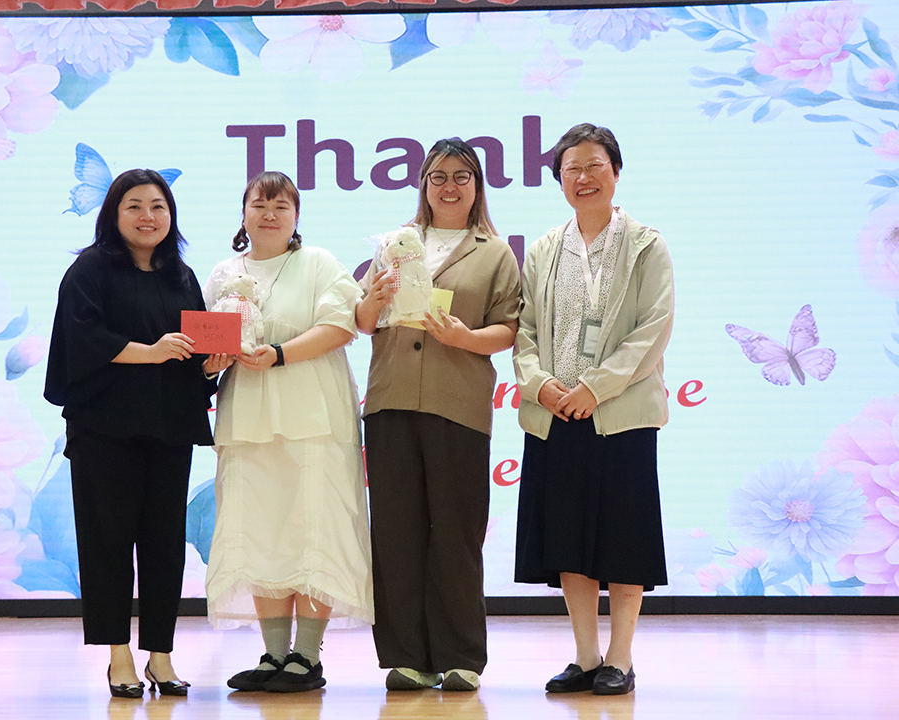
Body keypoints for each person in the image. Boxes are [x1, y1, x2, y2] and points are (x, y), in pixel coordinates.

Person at [44, 169, 223, 698]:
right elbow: (81, 340)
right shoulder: (90, 269)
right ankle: (118, 654)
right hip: (105, 429)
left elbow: (193, 350)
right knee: (108, 543)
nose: (148, 217)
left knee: (165, 545)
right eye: (135, 206)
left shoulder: (181, 276)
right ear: (114, 214)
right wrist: (149, 352)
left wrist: (211, 365)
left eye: (158, 206)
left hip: (168, 426)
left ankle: (160, 656)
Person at [513, 123, 675, 695]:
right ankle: (585, 657)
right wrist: (540, 386)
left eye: (594, 165)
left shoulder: (647, 245)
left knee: (624, 539)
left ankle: (620, 659)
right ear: (559, 180)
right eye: (571, 169)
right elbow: (525, 330)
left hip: (620, 415)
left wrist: (594, 388)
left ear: (616, 171)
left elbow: (653, 330)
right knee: (567, 540)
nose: (583, 177)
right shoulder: (543, 249)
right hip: (556, 415)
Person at [356, 138, 521, 692]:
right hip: (390, 401)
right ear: (424, 185)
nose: (449, 187)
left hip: (458, 405)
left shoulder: (495, 252)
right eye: (438, 177)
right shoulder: (394, 245)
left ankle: (460, 656)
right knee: (396, 533)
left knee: (456, 532)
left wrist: (464, 337)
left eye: (461, 177)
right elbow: (362, 321)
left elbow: (509, 330)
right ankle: (406, 656)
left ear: (477, 186)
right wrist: (375, 297)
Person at [203, 171, 373, 694]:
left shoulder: (318, 262)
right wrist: (212, 361)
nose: (270, 214)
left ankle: (307, 656)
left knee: (312, 529)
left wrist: (277, 354)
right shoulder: (223, 272)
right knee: (260, 529)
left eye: (282, 206)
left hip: (313, 415)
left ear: (296, 216)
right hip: (247, 417)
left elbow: (341, 326)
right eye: (260, 204)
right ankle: (274, 653)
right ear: (244, 213)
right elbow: (207, 345)